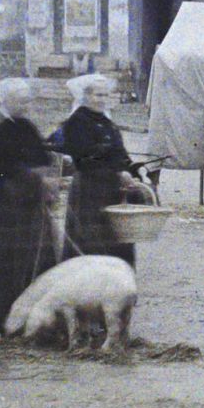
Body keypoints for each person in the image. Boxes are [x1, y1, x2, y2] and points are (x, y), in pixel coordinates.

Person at [0, 78, 60, 334]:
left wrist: (49, 176)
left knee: (39, 261)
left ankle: (39, 319)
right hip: (9, 212)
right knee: (9, 266)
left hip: (32, 209)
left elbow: (42, 158)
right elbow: (0, 171)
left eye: (27, 100)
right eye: (20, 100)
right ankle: (4, 320)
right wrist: (35, 179)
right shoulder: (0, 132)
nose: (25, 104)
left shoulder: (27, 127)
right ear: (7, 102)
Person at [48, 74, 142, 266]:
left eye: (105, 95)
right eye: (98, 95)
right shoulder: (78, 121)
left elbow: (119, 153)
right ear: (87, 96)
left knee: (115, 240)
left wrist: (131, 171)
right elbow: (85, 157)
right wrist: (117, 172)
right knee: (91, 239)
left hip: (112, 190)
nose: (102, 100)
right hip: (90, 189)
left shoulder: (107, 123)